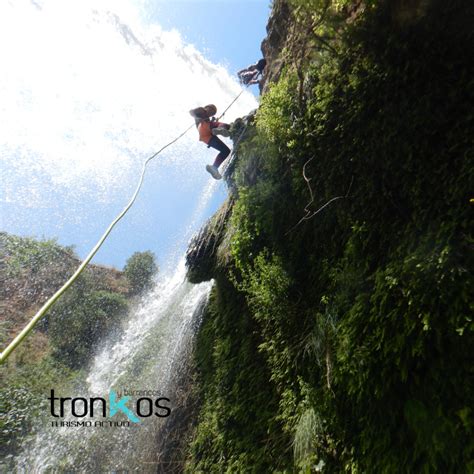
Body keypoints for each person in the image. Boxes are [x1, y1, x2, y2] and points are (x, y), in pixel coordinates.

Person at [189, 104, 231, 180]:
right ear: (206, 107)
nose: (211, 112)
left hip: (205, 137)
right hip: (203, 127)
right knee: (224, 125)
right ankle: (220, 129)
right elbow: (191, 112)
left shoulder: (207, 118)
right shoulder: (201, 110)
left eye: (213, 113)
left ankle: (214, 167)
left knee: (226, 151)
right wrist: (197, 118)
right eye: (211, 110)